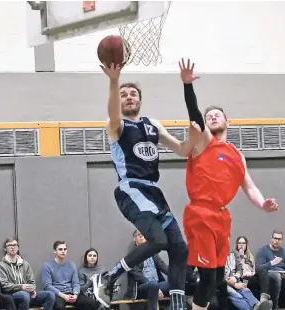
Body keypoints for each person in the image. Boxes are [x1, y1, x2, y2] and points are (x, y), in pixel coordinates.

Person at [99, 62, 202, 310]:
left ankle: (177, 306)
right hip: (130, 189)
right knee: (157, 240)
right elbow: (113, 112)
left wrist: (194, 136)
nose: (128, 97)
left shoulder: (152, 124)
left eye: (133, 94)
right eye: (123, 95)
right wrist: (114, 81)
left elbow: (181, 149)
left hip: (153, 192)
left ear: (140, 101)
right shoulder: (116, 126)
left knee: (179, 247)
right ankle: (109, 277)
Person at [178, 58, 278, 310]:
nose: (212, 117)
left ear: (227, 121)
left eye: (217, 114)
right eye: (209, 116)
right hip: (200, 213)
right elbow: (194, 114)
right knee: (208, 275)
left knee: (219, 275)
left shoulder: (237, 154)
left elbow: (250, 187)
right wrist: (187, 86)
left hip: (222, 217)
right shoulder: (202, 141)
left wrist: (262, 204)